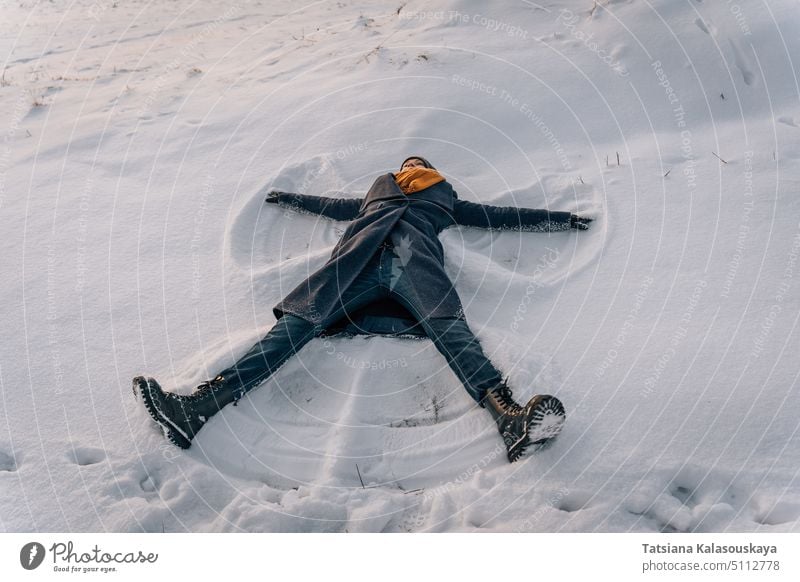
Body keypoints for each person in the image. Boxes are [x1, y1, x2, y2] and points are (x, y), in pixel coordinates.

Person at [134, 156, 593, 462]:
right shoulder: (378, 193)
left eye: (420, 163)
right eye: (407, 163)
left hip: (415, 269)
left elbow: (501, 216)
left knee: (453, 334)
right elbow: (335, 206)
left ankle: (509, 418)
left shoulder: (446, 201)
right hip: (352, 270)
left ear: (432, 172)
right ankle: (194, 408)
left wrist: (561, 219)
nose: (412, 165)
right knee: (290, 332)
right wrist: (292, 198)